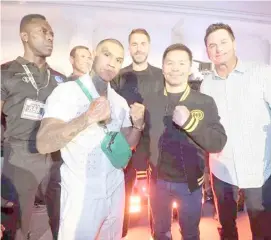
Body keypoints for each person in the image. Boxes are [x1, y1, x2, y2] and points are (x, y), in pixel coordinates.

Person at [36, 38, 145, 239]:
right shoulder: (66, 92)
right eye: (107, 54)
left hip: (115, 189)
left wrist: (138, 125)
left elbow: (129, 144)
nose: (112, 63)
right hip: (81, 193)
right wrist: (87, 118)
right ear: (93, 54)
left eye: (119, 59)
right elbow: (43, 143)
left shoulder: (119, 101)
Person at [143, 43, 227, 240]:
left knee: (190, 234)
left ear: (189, 68)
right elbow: (145, 139)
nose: (175, 68)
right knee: (160, 233)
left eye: (181, 63)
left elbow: (218, 142)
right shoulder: (151, 100)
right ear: (163, 67)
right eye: (170, 63)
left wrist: (190, 122)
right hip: (158, 182)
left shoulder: (204, 102)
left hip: (191, 183)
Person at [201, 22, 271, 239]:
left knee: (262, 227)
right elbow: (205, 130)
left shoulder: (261, 73)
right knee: (226, 227)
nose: (218, 48)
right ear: (207, 51)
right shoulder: (206, 85)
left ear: (234, 43)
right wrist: (205, 167)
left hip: (259, 168)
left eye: (223, 42)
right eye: (212, 45)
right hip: (222, 168)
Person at [1, 14, 66, 240]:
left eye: (51, 34)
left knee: (61, 221)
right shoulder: (5, 72)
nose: (50, 37)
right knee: (16, 228)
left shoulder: (60, 78)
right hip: (20, 156)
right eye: (43, 32)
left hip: (55, 158)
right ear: (25, 36)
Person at [111, 28, 164, 238]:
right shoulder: (119, 76)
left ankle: (158, 233)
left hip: (155, 143)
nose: (138, 48)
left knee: (158, 194)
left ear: (149, 46)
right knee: (121, 194)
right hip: (127, 142)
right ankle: (120, 233)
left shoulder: (160, 75)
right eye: (134, 44)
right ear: (129, 47)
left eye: (142, 43)